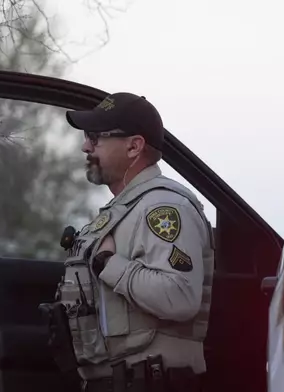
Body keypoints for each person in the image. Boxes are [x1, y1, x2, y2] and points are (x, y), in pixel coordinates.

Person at [53, 92, 215, 392]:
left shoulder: (163, 208)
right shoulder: (124, 211)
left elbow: (181, 296)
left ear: (134, 146)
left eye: (95, 137)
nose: (85, 146)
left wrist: (108, 265)